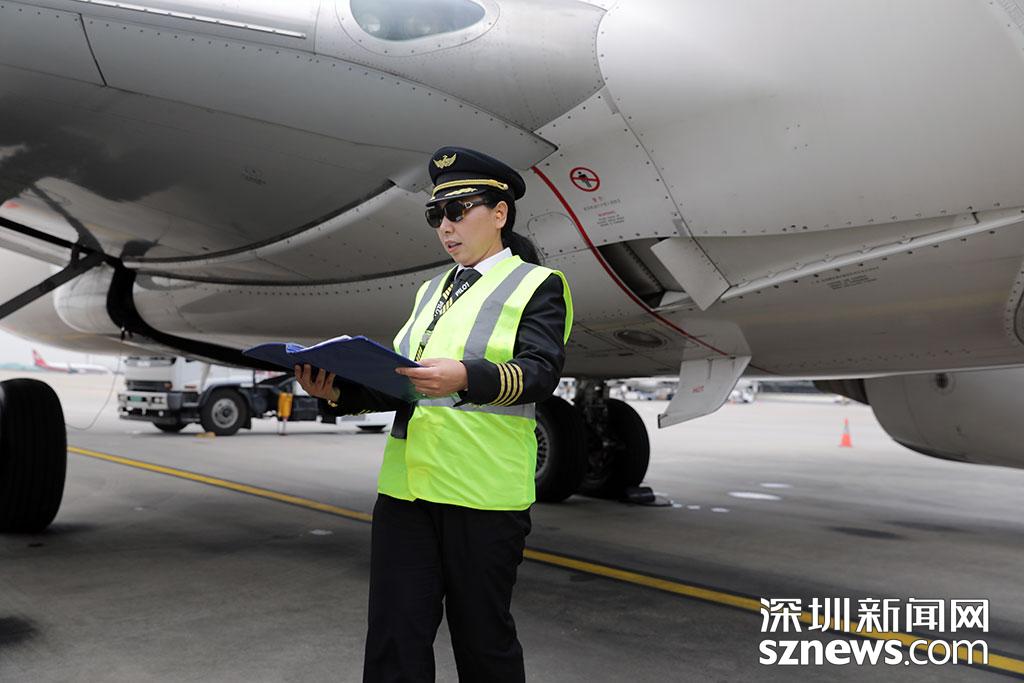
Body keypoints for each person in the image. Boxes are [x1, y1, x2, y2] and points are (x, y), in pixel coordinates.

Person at [294, 145, 573, 682]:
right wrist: (335, 392)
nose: (445, 226)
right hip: (407, 494)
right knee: (394, 640)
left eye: (457, 211)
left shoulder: (538, 285)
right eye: (435, 215)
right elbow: (405, 384)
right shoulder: (431, 290)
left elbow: (541, 373)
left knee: (484, 645)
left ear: (499, 213)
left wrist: (466, 376)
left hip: (482, 495)